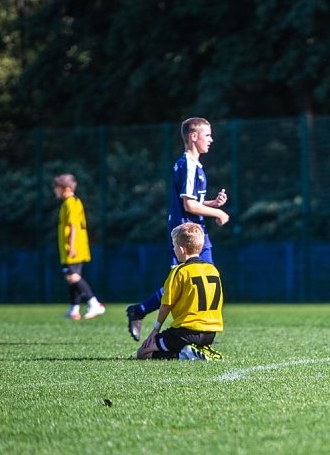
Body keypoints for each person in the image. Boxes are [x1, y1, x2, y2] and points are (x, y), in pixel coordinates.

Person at [126, 117, 229, 340]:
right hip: (184, 233)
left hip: (196, 230)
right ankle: (144, 313)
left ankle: (198, 326)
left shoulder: (194, 165)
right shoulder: (188, 165)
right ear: (194, 136)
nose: (211, 140)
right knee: (182, 281)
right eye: (208, 135)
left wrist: (212, 204)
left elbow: (193, 202)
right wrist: (219, 213)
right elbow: (188, 205)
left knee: (205, 278)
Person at [137, 222, 224, 360]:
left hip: (187, 332)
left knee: (142, 353)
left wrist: (155, 330)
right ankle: (199, 349)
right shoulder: (212, 270)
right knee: (182, 341)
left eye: (175, 246)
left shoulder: (179, 271)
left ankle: (184, 354)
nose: (174, 249)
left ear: (182, 249)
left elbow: (166, 304)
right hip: (211, 333)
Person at [53, 173, 106, 320]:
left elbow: (73, 226)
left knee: (72, 277)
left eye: (57, 188)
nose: (55, 191)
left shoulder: (69, 203)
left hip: (73, 246)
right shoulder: (75, 201)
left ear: (66, 188)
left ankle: (94, 303)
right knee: (73, 277)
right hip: (77, 245)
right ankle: (74, 309)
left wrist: (71, 245)